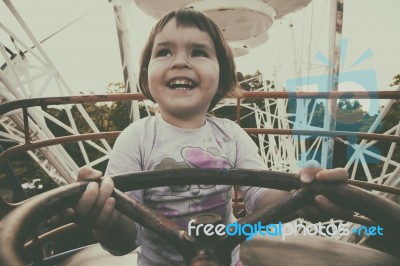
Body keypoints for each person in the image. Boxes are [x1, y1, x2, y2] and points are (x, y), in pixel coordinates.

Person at [60, 8, 350, 266]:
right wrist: (105, 219)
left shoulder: (231, 135)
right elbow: (124, 239)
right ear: (147, 73)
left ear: (222, 75)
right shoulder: (136, 138)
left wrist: (300, 194)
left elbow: (260, 196)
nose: (180, 62)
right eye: (164, 52)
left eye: (198, 51)